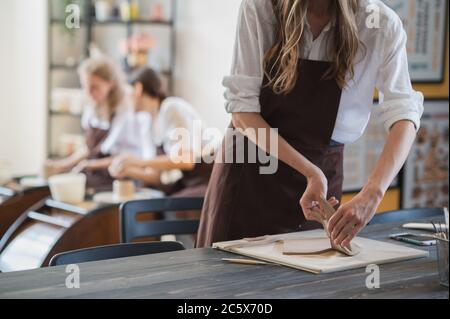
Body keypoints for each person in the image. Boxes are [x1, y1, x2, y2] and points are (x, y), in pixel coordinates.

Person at [196, 0, 424, 248]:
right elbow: (242, 112)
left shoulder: (380, 24)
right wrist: (310, 171)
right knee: (230, 282)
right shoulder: (261, 7)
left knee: (308, 282)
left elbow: (405, 114)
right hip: (250, 174)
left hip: (321, 184)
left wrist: (373, 193)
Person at [109, 67, 219, 198]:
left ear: (138, 89)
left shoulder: (170, 107)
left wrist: (137, 161)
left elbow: (186, 160)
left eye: (127, 93)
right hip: (185, 183)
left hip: (207, 180)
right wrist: (126, 169)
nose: (126, 100)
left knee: (169, 208)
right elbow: (156, 176)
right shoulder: (149, 123)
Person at [46, 56, 150, 189]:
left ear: (110, 84)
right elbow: (88, 148)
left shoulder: (126, 111)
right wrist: (62, 165)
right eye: (85, 86)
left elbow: (128, 158)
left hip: (119, 177)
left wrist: (89, 165)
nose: (89, 93)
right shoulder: (92, 108)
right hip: (96, 173)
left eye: (95, 87)